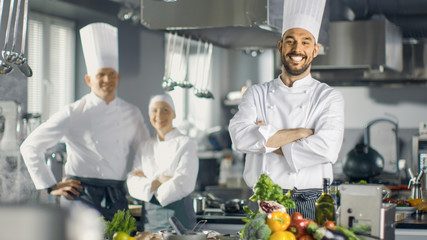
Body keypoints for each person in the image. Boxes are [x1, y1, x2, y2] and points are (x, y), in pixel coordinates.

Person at [20, 22, 150, 220]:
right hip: (81, 195)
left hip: (117, 195)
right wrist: (49, 185)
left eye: (111, 74)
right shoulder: (74, 112)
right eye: (101, 75)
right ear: (89, 79)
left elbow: (145, 150)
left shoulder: (132, 112)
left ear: (118, 77)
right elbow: (30, 146)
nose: (107, 80)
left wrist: (141, 177)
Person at [228, 0, 344, 220]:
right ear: (280, 46)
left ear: (315, 50)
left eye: (305, 42)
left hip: (310, 203)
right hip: (264, 202)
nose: (297, 49)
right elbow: (240, 139)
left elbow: (327, 149)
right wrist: (302, 133)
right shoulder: (256, 93)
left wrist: (267, 139)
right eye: (290, 41)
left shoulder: (328, 97)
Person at [127, 94, 199, 232]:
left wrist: (148, 184)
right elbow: (132, 182)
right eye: (154, 110)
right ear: (149, 115)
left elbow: (184, 182)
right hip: (150, 220)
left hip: (179, 218)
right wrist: (161, 180)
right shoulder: (145, 146)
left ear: (174, 114)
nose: (159, 115)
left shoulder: (186, 143)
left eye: (165, 110)